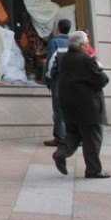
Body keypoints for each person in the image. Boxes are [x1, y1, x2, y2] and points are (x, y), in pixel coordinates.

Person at [52, 30, 110, 179]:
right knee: (92, 138)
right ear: (82, 45)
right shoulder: (86, 60)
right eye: (87, 44)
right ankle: (93, 169)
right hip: (88, 106)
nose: (88, 46)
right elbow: (102, 80)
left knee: (73, 133)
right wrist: (96, 64)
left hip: (69, 104)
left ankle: (61, 153)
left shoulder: (65, 59)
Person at [43, 18, 71, 147]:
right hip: (72, 79)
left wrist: (49, 78)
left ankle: (60, 138)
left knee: (58, 108)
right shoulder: (72, 42)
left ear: (58, 28)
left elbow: (50, 63)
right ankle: (70, 137)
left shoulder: (55, 42)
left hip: (59, 79)